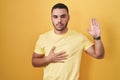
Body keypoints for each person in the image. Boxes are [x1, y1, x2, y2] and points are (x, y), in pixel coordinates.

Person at [32, 3, 104, 80]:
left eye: (63, 16)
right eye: (55, 17)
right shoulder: (43, 38)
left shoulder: (79, 38)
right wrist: (48, 59)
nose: (59, 20)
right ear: (51, 18)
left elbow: (99, 55)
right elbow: (34, 62)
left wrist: (97, 37)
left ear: (68, 17)